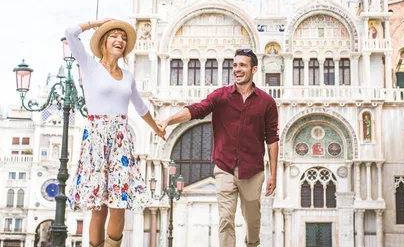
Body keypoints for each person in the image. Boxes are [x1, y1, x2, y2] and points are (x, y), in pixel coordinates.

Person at [159, 49, 279, 247]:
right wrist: (168, 120)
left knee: (253, 220)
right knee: (225, 220)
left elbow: (272, 139)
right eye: (235, 65)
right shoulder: (221, 96)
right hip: (224, 168)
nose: (237, 69)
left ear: (254, 69)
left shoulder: (267, 102)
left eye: (242, 65)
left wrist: (273, 174)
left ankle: (252, 244)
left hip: (253, 171)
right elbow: (196, 109)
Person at [65, 18, 166, 247]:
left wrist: (156, 128)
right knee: (98, 208)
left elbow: (140, 106)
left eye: (123, 37)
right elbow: (70, 32)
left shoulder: (128, 76)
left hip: (121, 139)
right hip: (96, 138)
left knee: (119, 205)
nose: (119, 39)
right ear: (103, 41)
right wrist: (100, 23)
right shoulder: (89, 66)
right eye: (114, 35)